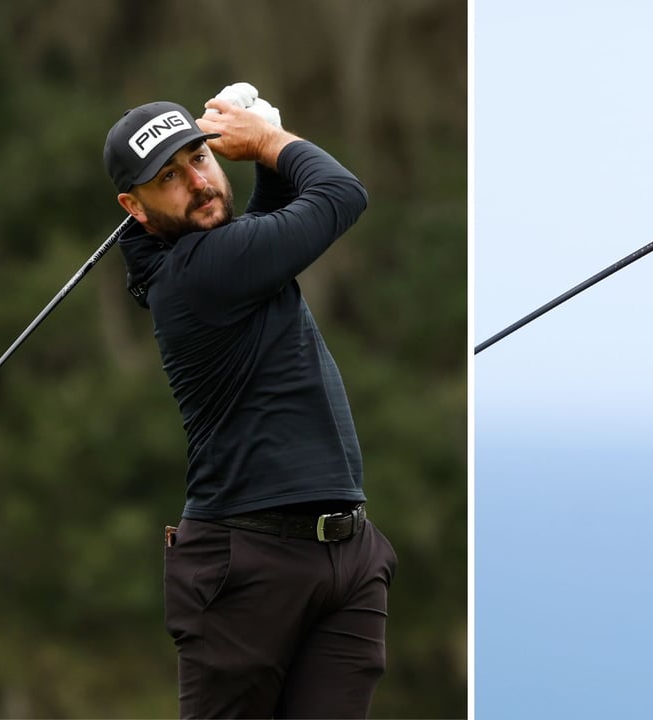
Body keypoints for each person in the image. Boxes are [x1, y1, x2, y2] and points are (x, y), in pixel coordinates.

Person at [102, 86, 397, 719]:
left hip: (346, 556)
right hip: (248, 565)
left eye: (199, 159)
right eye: (169, 178)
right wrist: (267, 142)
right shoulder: (196, 274)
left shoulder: (218, 260)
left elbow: (266, 230)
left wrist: (268, 159)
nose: (197, 183)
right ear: (135, 207)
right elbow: (342, 194)